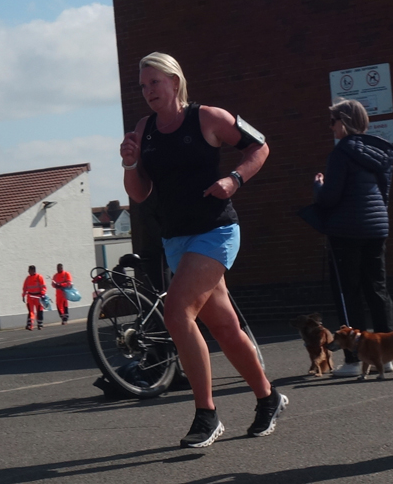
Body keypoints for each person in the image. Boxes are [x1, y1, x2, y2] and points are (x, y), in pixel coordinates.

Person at [120, 51, 287, 448]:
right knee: (224, 327)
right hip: (175, 238)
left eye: (154, 83)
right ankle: (269, 398)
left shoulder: (208, 117)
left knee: (177, 314)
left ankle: (206, 415)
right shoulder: (145, 130)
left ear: (174, 82)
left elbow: (260, 147)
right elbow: (140, 194)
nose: (148, 92)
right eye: (143, 86)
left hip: (216, 231)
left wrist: (235, 179)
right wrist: (129, 164)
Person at [309, 98, 393, 377]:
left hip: (346, 229)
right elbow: (383, 194)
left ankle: (353, 359)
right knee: (377, 290)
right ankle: (386, 356)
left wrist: (318, 187)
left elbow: (331, 196)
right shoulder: (379, 152)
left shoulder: (341, 153)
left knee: (348, 294)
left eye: (333, 121)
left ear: (344, 122)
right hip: (376, 227)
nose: (331, 127)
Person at [22, 265, 46, 331]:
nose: (28, 272)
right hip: (30, 296)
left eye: (29, 270)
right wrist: (23, 295)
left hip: (38, 296)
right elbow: (25, 288)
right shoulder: (27, 278)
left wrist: (43, 294)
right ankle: (30, 325)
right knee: (31, 311)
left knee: (39, 311)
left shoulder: (39, 277)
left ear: (33, 270)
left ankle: (40, 324)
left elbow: (43, 286)